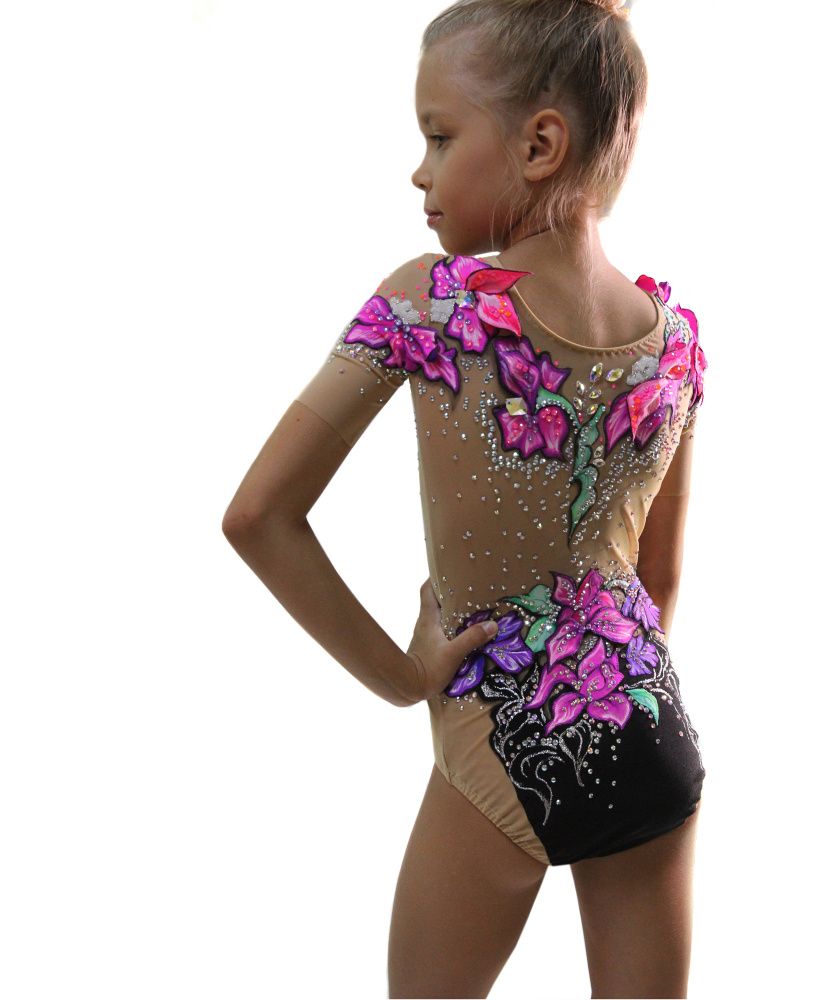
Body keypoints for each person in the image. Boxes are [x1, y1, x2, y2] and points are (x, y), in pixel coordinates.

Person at [222, 0, 709, 995]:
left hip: (503, 738)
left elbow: (259, 515)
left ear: (539, 144)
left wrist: (403, 676)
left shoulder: (431, 304)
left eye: (440, 137)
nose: (420, 170)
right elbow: (656, 584)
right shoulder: (676, 341)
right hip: (650, 732)